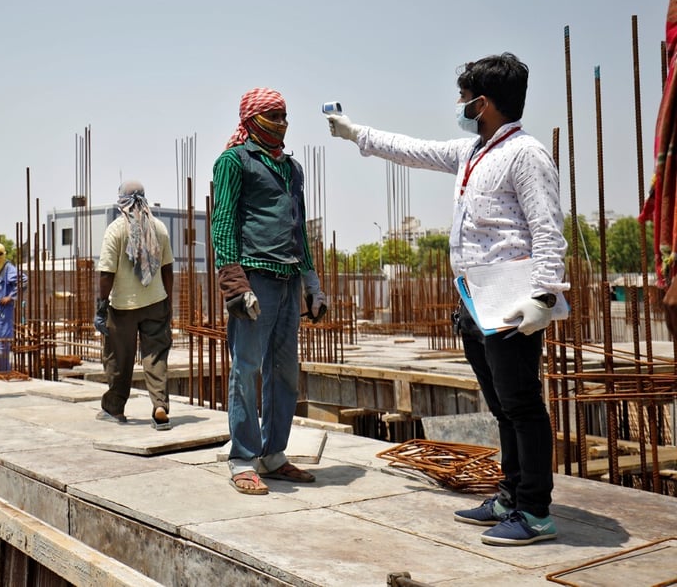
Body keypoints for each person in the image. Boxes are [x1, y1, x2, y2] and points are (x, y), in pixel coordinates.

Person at [327, 53, 568, 546]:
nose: (458, 105)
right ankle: (510, 495)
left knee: (522, 404)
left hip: (512, 296)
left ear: (483, 103)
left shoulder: (526, 154)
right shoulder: (474, 152)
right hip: (477, 298)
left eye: (463, 98)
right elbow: (413, 150)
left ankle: (536, 512)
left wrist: (544, 296)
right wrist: (356, 134)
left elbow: (548, 230)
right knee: (502, 405)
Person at [212, 87, 327, 495]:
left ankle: (273, 455)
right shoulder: (233, 161)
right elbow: (222, 222)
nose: (282, 123)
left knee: (285, 373)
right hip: (254, 277)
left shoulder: (292, 169)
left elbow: (300, 229)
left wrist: (312, 284)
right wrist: (234, 284)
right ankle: (243, 458)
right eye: (273, 116)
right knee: (246, 369)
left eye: (284, 116)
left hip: (288, 278)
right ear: (251, 120)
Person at [93, 180, 174, 429]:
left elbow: (106, 273)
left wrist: (100, 306)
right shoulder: (159, 228)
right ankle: (159, 405)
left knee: (119, 358)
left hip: (123, 307)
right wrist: (168, 301)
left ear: (121, 201)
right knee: (155, 355)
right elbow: (168, 269)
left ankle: (115, 409)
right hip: (155, 301)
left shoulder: (116, 229)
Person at [0, 242, 27, 372]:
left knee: (3, 342)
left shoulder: (8, 269)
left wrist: (10, 297)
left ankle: (4, 371)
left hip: (4, 310)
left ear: (4, 254)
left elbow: (24, 280)